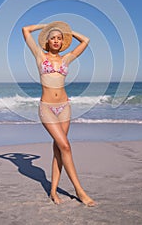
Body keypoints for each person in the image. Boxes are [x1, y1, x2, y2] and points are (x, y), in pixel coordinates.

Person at [22, 21, 95, 206]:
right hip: (47, 107)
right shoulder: (39, 55)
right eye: (53, 37)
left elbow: (86, 40)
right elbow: (25, 30)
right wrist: (46, 25)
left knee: (59, 150)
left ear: (62, 42)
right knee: (66, 147)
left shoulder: (66, 59)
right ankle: (80, 191)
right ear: (47, 41)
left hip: (65, 107)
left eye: (59, 38)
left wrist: (67, 31)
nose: (56, 40)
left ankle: (53, 191)